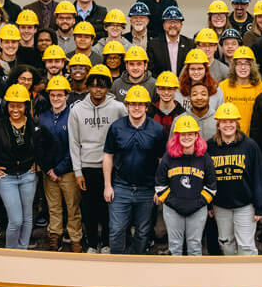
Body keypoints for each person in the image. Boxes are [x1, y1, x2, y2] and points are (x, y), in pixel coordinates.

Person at [0, 84, 53, 249]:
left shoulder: (35, 125)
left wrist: (40, 165)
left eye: (19, 105)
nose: (15, 109)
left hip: (28, 176)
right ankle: (10, 253)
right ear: (7, 106)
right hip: (6, 178)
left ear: (26, 106)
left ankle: (22, 250)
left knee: (27, 218)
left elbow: (49, 145)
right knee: (15, 220)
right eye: (12, 105)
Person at [102, 73, 166, 255]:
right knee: (116, 230)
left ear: (146, 107)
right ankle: (116, 267)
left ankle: (137, 266)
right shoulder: (116, 127)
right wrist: (108, 185)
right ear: (127, 105)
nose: (136, 108)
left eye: (140, 104)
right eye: (132, 104)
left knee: (143, 232)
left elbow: (162, 160)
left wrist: (159, 188)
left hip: (147, 189)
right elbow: (108, 156)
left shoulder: (157, 130)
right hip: (121, 187)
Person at [69, 65, 128, 252]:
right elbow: (73, 142)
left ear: (108, 88)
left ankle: (108, 244)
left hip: (111, 167)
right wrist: (78, 172)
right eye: (93, 86)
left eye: (102, 86)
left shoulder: (118, 108)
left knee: (108, 208)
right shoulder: (77, 110)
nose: (97, 90)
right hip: (87, 167)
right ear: (88, 87)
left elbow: (126, 133)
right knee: (89, 210)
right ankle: (92, 244)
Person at [153, 115, 216, 256]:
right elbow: (160, 185)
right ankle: (175, 277)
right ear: (177, 136)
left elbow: (211, 186)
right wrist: (175, 203)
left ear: (196, 136)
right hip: (173, 209)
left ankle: (195, 278)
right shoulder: (168, 157)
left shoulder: (204, 157)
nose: (186, 137)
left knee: (195, 246)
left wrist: (197, 203)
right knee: (175, 246)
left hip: (197, 208)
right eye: (183, 134)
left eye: (190, 134)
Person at [209, 102, 262, 256]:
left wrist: (260, 205)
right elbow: (207, 179)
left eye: (231, 121)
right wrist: (209, 205)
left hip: (245, 205)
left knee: (246, 246)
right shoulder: (210, 147)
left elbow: (259, 177)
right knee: (226, 242)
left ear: (237, 123)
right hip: (220, 205)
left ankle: (249, 279)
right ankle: (231, 278)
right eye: (224, 121)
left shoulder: (250, 146)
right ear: (218, 124)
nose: (228, 125)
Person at [39, 75, 83, 252]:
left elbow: (75, 146)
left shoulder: (73, 116)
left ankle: (75, 238)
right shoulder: (42, 117)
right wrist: (48, 168)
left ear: (67, 96)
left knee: (72, 207)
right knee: (53, 206)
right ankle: (54, 235)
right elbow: (39, 146)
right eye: (53, 95)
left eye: (60, 95)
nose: (56, 99)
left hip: (68, 171)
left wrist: (60, 168)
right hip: (49, 172)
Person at [148, 6, 195, 78]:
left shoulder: (190, 44)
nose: (172, 25)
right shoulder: (153, 45)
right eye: (169, 22)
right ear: (164, 25)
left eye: (176, 22)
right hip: (162, 86)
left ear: (181, 25)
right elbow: (151, 71)